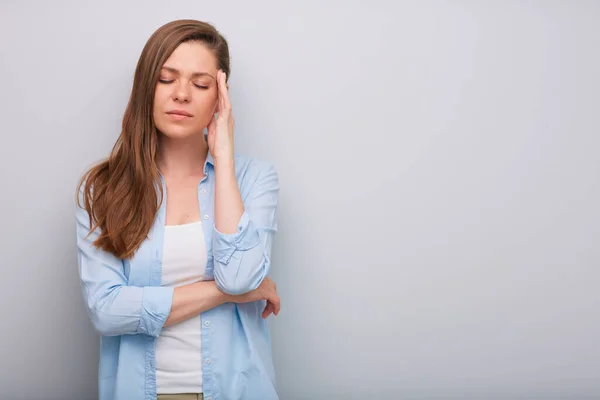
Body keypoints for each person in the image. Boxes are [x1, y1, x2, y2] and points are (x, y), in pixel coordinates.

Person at [75, 19, 281, 400]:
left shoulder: (254, 180)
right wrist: (225, 295)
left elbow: (239, 276)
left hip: (236, 390)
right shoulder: (103, 189)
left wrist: (223, 158)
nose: (182, 94)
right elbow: (106, 309)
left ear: (220, 96)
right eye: (166, 79)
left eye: (200, 84)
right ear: (145, 87)